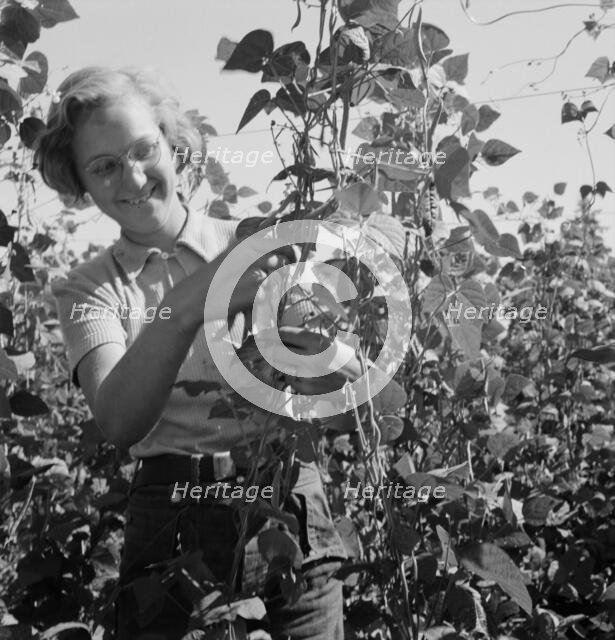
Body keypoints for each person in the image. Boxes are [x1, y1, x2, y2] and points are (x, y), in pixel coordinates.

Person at [37, 66, 348, 639]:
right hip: (171, 518)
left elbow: (338, 372)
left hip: (287, 502)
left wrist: (314, 343)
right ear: (81, 185)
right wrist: (186, 306)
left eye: (142, 149)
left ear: (171, 144)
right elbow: (120, 420)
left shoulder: (253, 243)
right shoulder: (88, 289)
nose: (132, 176)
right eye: (103, 167)